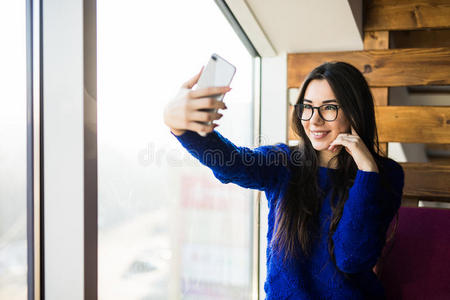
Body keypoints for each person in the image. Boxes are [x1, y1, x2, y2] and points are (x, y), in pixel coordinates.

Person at [163, 61, 404, 299]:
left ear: (355, 111)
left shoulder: (384, 176)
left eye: (329, 108)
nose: (314, 120)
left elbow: (351, 258)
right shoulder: (284, 162)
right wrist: (180, 127)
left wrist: (367, 174)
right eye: (307, 107)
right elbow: (233, 163)